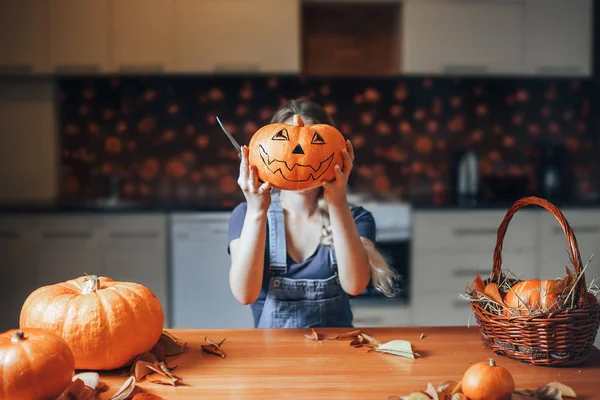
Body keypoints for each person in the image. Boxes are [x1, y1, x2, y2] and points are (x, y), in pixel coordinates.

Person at [227, 99, 400, 328]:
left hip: (337, 352)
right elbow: (244, 294)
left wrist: (338, 203)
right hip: (271, 355)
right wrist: (257, 210)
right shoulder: (247, 215)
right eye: (284, 141)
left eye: (315, 142)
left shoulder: (357, 217)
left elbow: (355, 285)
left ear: (340, 154)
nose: (299, 153)